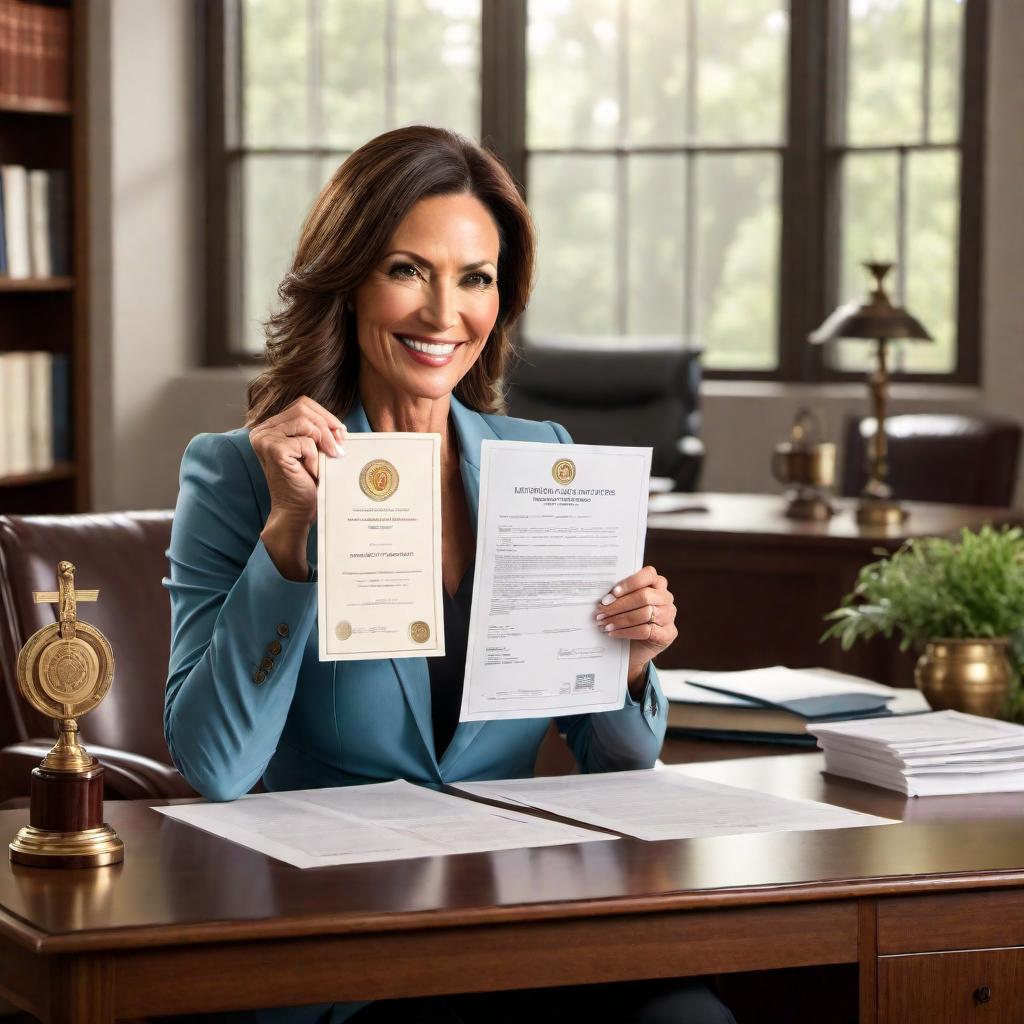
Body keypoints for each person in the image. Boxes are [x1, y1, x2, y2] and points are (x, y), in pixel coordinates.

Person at [164, 126, 736, 1024]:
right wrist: (288, 539)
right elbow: (214, 766)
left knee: (688, 1017)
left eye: (475, 277)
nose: (444, 314)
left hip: (510, 915)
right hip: (332, 933)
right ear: (347, 279)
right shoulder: (236, 472)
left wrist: (626, 667)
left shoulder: (541, 460)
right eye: (407, 270)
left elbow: (617, 760)